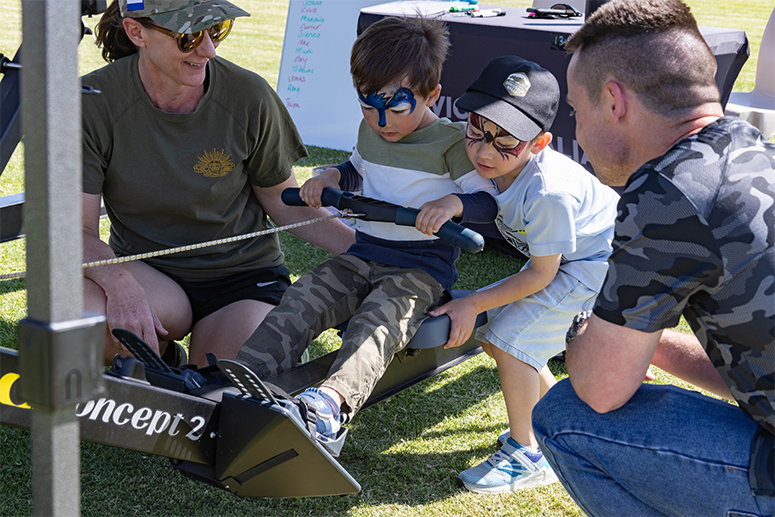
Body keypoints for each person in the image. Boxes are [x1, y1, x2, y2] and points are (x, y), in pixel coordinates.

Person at [531, 1, 775, 515]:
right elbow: (754, 361)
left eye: (577, 109)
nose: (576, 127)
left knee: (565, 416)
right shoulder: (755, 150)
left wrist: (581, 335)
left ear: (614, 100)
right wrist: (650, 343)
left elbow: (600, 390)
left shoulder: (669, 192)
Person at [233, 15, 497, 446]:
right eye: (367, 105)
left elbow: (485, 200)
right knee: (302, 297)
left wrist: (452, 205)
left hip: (419, 269)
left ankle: (330, 408)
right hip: (363, 254)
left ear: (432, 95)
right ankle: (244, 379)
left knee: (376, 323)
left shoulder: (450, 143)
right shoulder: (371, 131)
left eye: (395, 107)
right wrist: (330, 179)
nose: (380, 120)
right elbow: (355, 170)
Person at [82, 0, 355, 368]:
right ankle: (161, 360)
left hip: (241, 280)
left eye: (217, 31)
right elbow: (73, 231)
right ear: (136, 32)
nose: (208, 49)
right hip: (148, 272)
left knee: (230, 388)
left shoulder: (249, 95)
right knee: (84, 323)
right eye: (189, 35)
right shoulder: (91, 103)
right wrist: (119, 285)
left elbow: (283, 202)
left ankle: (169, 367)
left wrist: (369, 250)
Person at [425, 56, 619, 493]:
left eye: (505, 142)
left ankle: (527, 452)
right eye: (477, 131)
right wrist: (455, 204)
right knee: (507, 342)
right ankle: (557, 427)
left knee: (509, 339)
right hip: (570, 260)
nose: (484, 151)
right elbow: (476, 191)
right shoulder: (492, 162)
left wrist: (474, 301)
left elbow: (541, 275)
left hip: (600, 265)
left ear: (539, 143)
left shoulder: (549, 193)